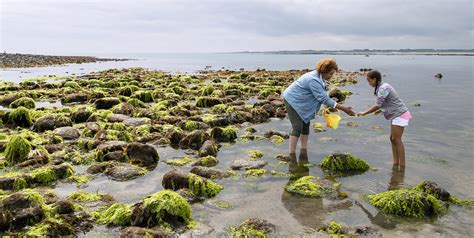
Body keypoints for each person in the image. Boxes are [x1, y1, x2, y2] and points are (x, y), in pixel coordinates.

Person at [282, 59, 355, 155]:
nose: (331, 76)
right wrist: (344, 109)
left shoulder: (320, 77)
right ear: (324, 71)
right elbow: (323, 98)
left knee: (306, 123)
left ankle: (303, 150)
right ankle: (292, 154)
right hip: (292, 100)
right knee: (297, 127)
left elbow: (321, 96)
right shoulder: (313, 79)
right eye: (331, 73)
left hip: (301, 101)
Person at [357, 70, 412, 167]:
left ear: (375, 79)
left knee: (397, 139)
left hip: (400, 114)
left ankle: (402, 165)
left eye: (369, 80)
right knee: (392, 139)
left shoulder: (383, 88)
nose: (368, 83)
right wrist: (381, 110)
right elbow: (387, 102)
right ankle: (395, 163)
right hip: (396, 114)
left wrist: (364, 113)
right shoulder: (382, 87)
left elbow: (378, 105)